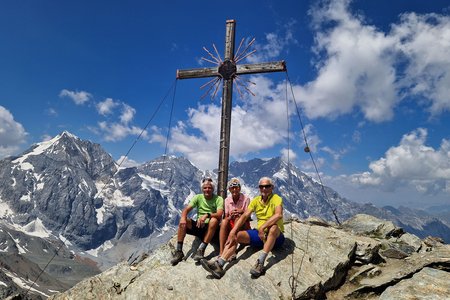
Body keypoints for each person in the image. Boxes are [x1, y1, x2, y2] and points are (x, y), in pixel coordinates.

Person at [200, 176, 285, 278]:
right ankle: (220, 264)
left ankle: (260, 263)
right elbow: (245, 216)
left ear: (272, 187)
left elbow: (278, 215)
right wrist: (233, 232)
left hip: (276, 237)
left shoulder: (276, 199)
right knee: (237, 236)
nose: (264, 189)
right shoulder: (256, 200)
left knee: (273, 228)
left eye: (267, 186)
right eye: (261, 187)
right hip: (260, 236)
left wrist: (263, 227)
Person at [171, 177, 224, 266]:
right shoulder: (198, 197)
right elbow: (186, 209)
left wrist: (207, 215)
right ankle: (179, 251)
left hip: (212, 228)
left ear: (213, 189)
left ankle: (201, 250)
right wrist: (183, 218)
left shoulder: (218, 199)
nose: (207, 190)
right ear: (202, 189)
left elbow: (219, 214)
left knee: (214, 220)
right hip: (200, 226)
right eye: (205, 188)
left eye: (209, 188)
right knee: (183, 220)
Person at [219, 178, 251, 256]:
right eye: (232, 188)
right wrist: (230, 216)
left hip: (243, 224)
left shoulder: (246, 199)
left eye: (236, 187)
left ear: (239, 188)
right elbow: (226, 217)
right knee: (224, 222)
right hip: (231, 222)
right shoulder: (227, 200)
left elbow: (249, 216)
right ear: (229, 189)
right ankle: (221, 250)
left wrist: (242, 211)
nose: (234, 190)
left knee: (238, 218)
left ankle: (233, 250)